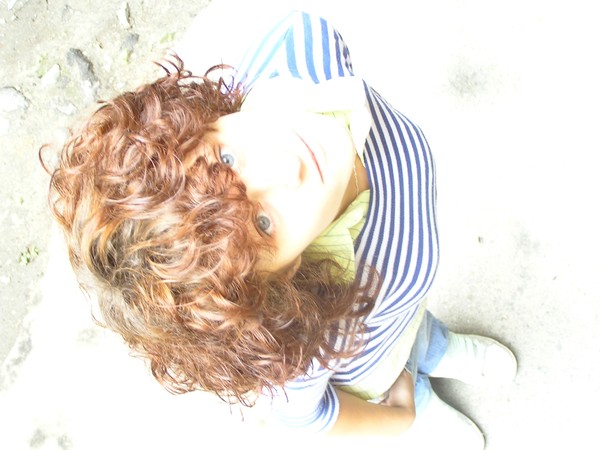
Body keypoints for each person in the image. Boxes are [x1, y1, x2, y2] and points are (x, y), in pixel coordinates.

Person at [45, 9, 516, 448]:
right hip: (374, 365)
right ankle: (422, 395)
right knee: (395, 368)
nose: (286, 166)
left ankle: (436, 348)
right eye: (264, 224)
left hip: (408, 311)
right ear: (282, 284)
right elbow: (311, 417)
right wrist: (400, 418)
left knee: (415, 327)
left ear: (198, 119)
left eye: (226, 158)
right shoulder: (308, 341)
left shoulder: (302, 55)